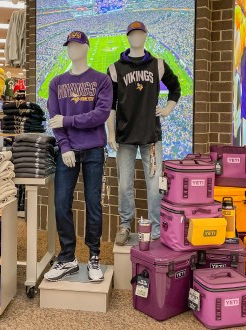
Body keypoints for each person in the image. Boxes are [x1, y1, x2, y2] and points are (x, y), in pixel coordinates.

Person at [45, 31, 113, 282]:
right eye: (69, 45)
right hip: (68, 150)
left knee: (93, 204)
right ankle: (67, 257)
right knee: (61, 203)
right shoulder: (56, 82)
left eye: (76, 44)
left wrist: (69, 120)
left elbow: (100, 115)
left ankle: (94, 256)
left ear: (86, 47)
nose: (72, 48)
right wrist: (64, 146)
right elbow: (55, 120)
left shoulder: (101, 80)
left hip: (94, 149)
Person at [107, 21, 181, 245]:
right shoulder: (114, 68)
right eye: (133, 34)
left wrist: (168, 108)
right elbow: (110, 105)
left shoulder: (157, 64)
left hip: (150, 136)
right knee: (124, 184)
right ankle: (124, 224)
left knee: (154, 185)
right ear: (128, 37)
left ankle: (156, 229)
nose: (137, 37)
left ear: (146, 36)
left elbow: (175, 87)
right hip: (125, 135)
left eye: (140, 33)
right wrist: (110, 133)